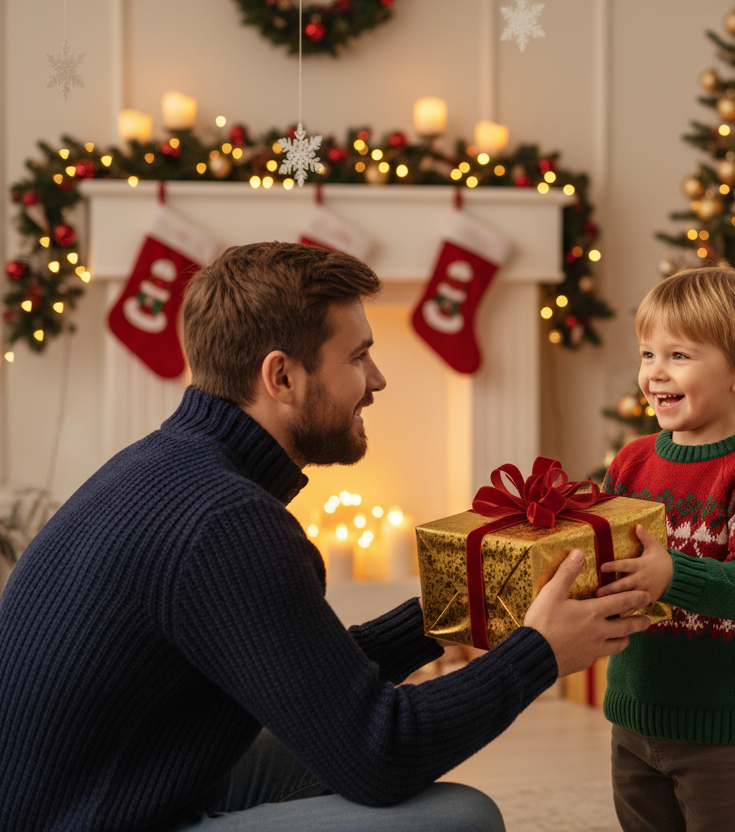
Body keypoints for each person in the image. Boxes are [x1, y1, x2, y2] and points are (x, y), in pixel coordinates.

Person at [0, 242, 653, 832]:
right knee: (459, 820)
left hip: (112, 780)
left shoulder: (167, 465)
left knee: (330, 743)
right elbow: (380, 755)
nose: (377, 380)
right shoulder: (229, 523)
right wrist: (540, 652)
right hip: (94, 817)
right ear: (280, 377)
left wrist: (473, 600)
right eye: (359, 356)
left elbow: (309, 676)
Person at [594, 267, 735, 832]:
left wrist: (670, 573)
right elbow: (601, 557)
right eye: (647, 354)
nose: (655, 372)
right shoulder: (631, 462)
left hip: (722, 726)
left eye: (679, 355)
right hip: (634, 712)